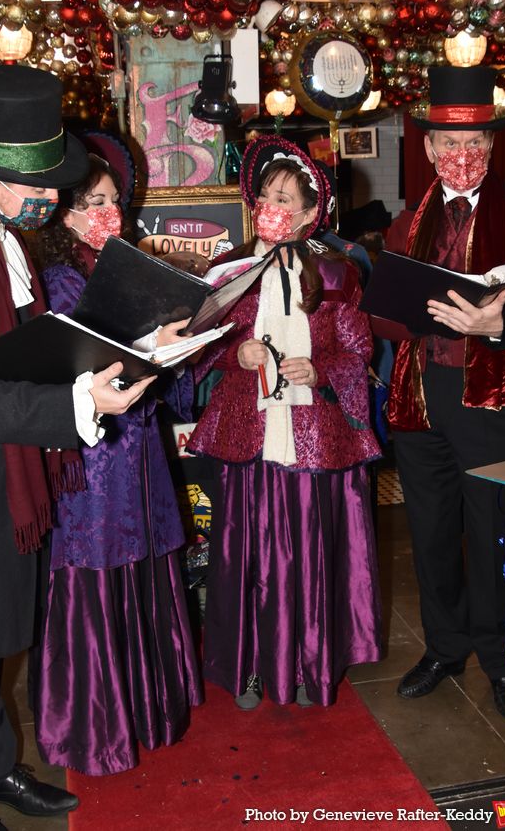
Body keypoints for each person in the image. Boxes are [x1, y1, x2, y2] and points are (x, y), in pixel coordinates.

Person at [0, 65, 157, 831]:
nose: (55, 199)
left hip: (5, 477)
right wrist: (78, 403)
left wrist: (130, 348)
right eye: (43, 184)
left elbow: (30, 349)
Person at [370, 66, 505, 720]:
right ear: (428, 149)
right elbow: (379, 314)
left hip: (495, 398)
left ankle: (500, 658)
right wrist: (409, 313)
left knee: (496, 533)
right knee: (432, 530)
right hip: (421, 397)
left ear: (494, 148)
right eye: (448, 144)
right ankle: (444, 647)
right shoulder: (403, 225)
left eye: (473, 146)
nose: (461, 157)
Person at [187, 135, 382, 710]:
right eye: (267, 194)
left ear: (312, 211)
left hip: (314, 436)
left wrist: (319, 371)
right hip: (247, 432)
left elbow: (358, 352)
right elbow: (199, 346)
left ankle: (305, 661)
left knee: (307, 556)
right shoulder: (228, 270)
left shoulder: (339, 273)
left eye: (288, 198)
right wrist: (233, 355)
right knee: (245, 557)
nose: (276, 206)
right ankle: (248, 665)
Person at [34, 153, 202, 775]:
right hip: (95, 457)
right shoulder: (58, 277)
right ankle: (95, 726)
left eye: (113, 202)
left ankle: (152, 708)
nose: (109, 214)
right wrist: (148, 345)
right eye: (93, 204)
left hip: (142, 446)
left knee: (149, 566)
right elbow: (75, 361)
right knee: (97, 574)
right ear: (64, 215)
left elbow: (155, 361)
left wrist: (182, 342)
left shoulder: (128, 266)